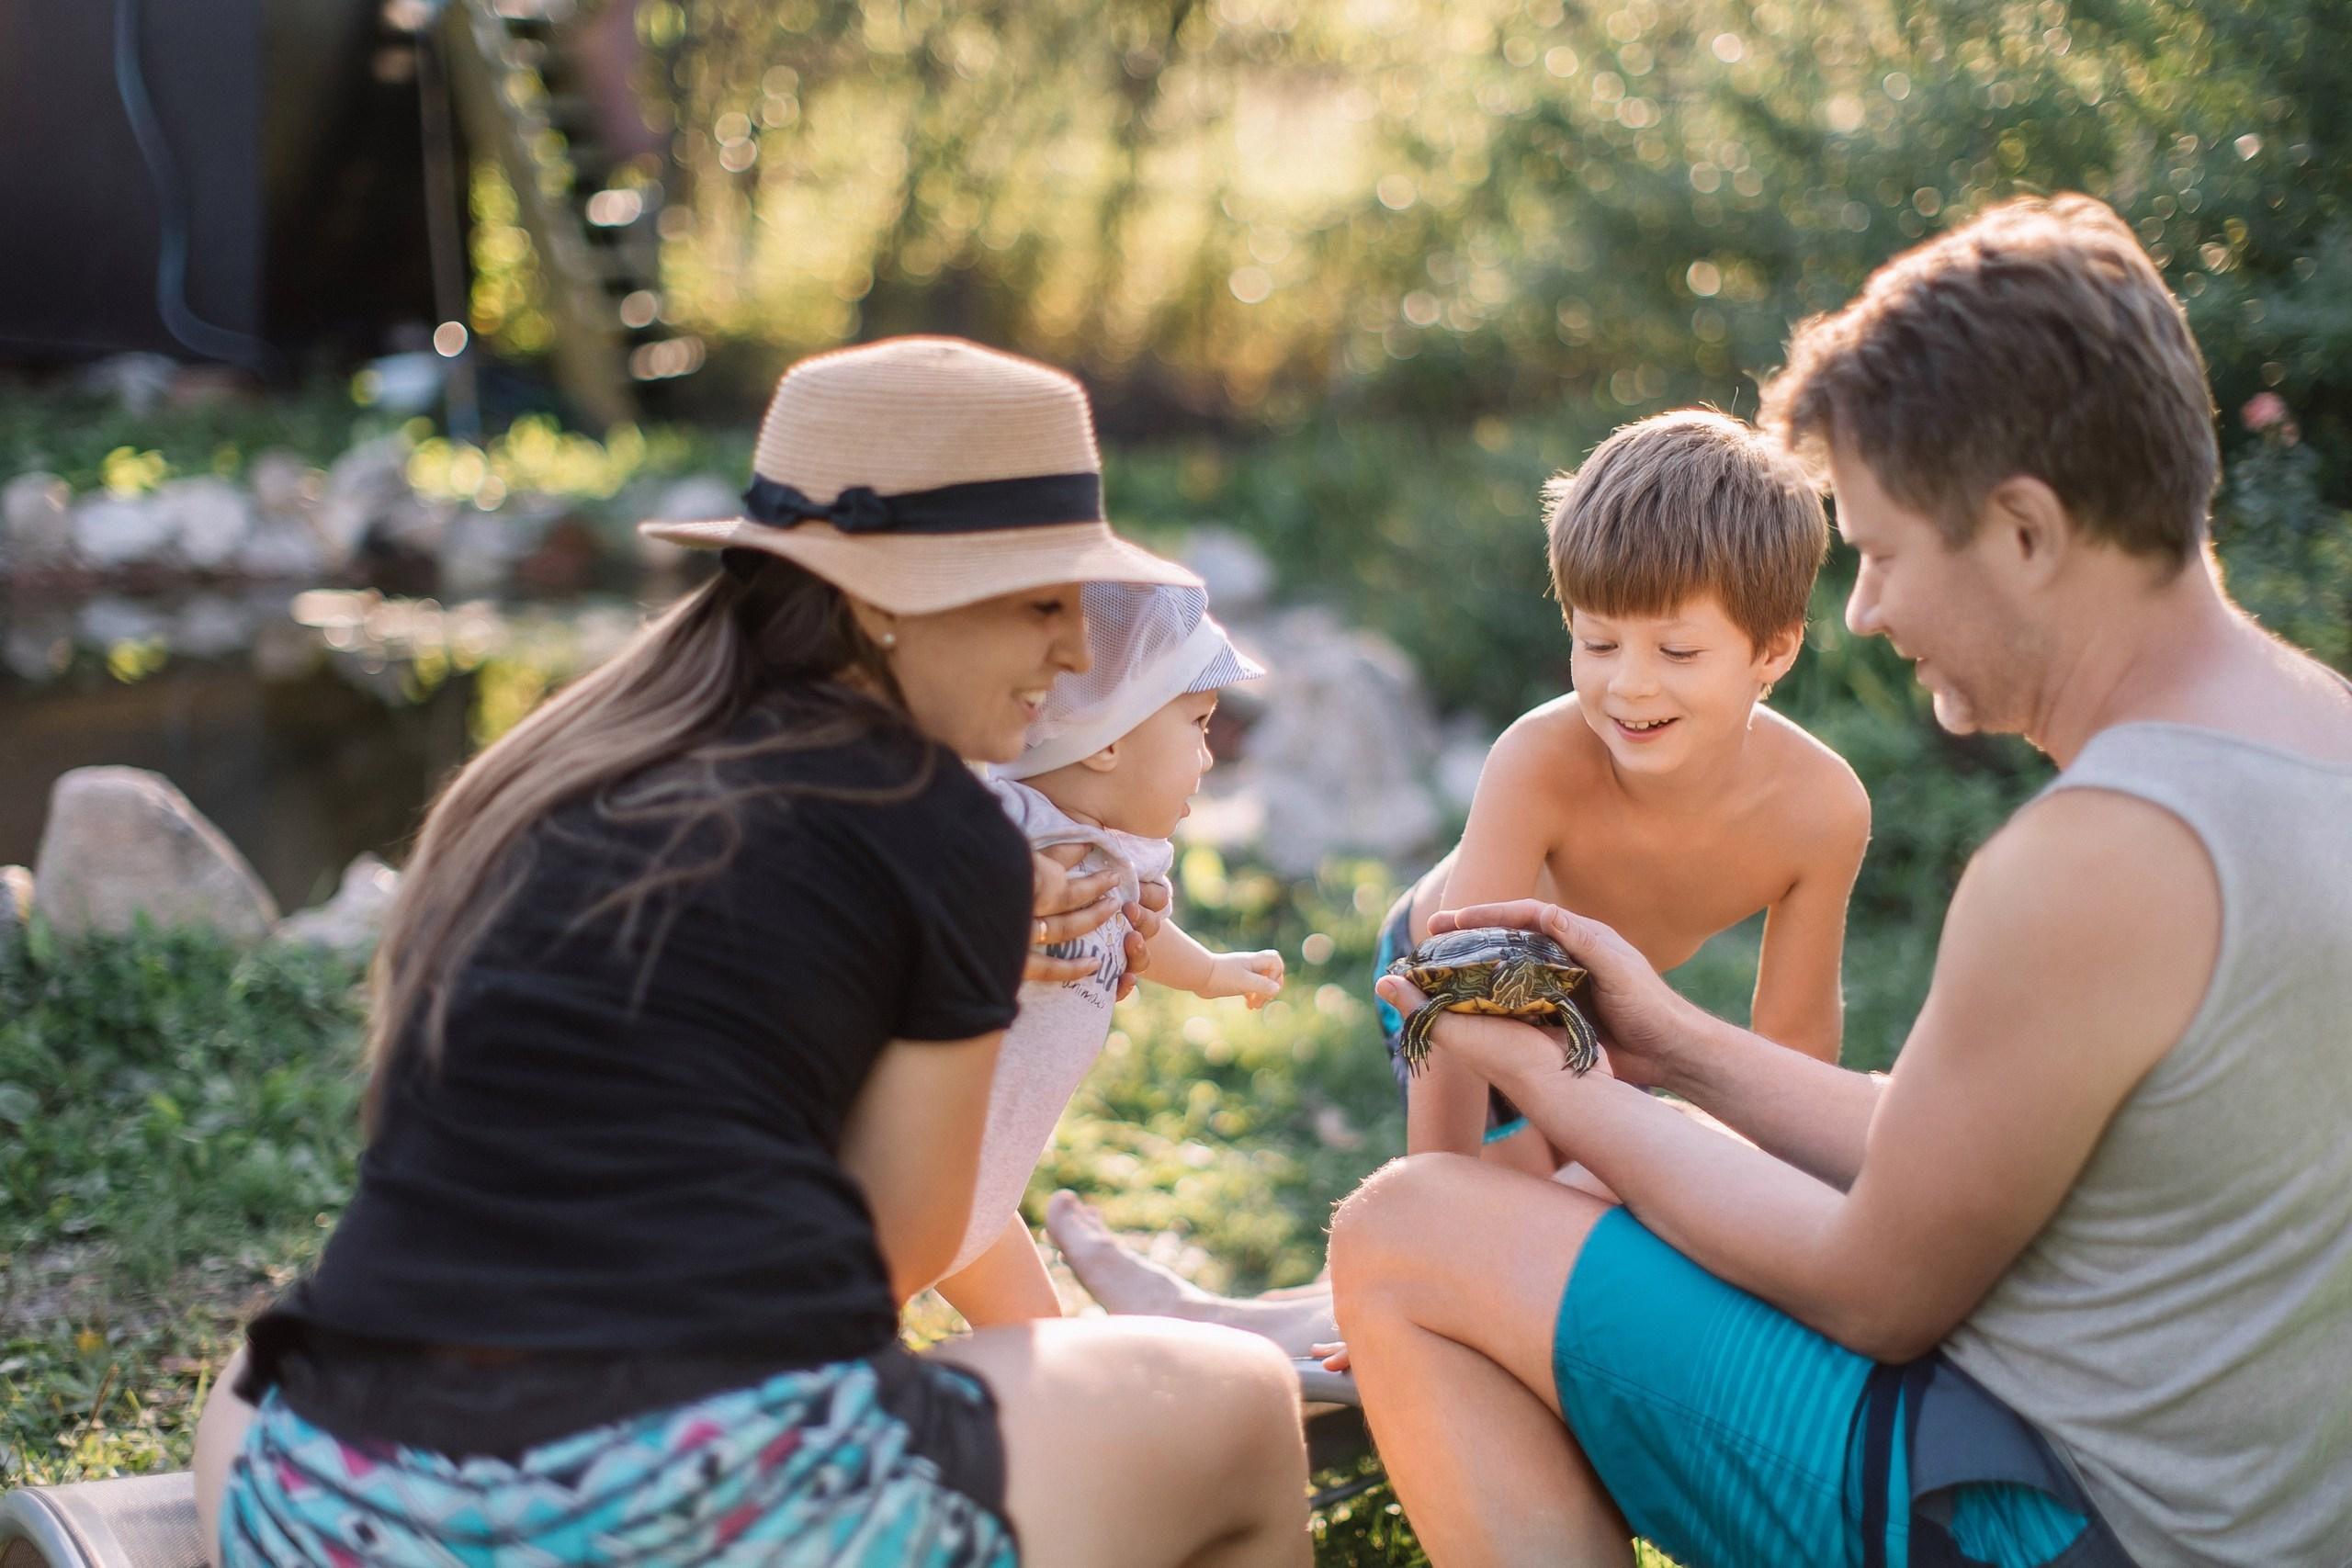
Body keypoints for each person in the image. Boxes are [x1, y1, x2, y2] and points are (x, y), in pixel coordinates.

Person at [1331, 195, 2352, 1567]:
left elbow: (1873, 1287)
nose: (1863, 610)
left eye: (1878, 550)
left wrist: (1558, 1086)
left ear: (2025, 533)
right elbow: (1951, 1145)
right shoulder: (2316, 735)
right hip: (2238, 1507)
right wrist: (1675, 1041)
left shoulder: (2102, 854)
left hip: (2058, 1515)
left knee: (1408, 1226)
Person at [190, 337, 1312, 1568]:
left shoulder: (557, 775)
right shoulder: (935, 827)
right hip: (679, 1510)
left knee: (253, 1364)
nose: (1075, 651)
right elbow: (906, 1251)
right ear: (883, 598)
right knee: (1246, 1400)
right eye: (1044, 599)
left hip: (330, 1493)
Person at [1048, 409, 1870, 1355]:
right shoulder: (1541, 759)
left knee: (1598, 1206)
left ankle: (1215, 1315)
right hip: (1447, 980)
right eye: (1597, 644)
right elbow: (1460, 1008)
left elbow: (1796, 1052)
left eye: (1676, 653)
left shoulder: (1822, 809)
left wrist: (1790, 1229)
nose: (1630, 688)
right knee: (1496, 1236)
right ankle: (1251, 1318)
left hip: (1591, 1008)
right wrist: (1423, 1243)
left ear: (1774, 650)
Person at [929, 581, 1284, 1326]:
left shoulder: (1120, 857)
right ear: (1111, 739)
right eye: (1198, 725)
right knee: (834, 1341)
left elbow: (1140, 935)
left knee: (1042, 1344)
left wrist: (1213, 972)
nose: (1208, 758)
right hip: (909, 1174)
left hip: (986, 1189)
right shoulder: (1008, 828)